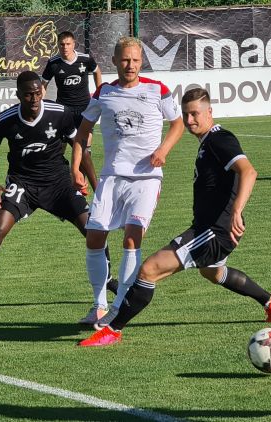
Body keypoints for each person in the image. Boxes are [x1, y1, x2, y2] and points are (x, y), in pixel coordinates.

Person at [78, 88, 271, 347]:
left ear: (209, 112)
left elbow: (249, 172)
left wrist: (236, 210)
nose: (190, 121)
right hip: (213, 230)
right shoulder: (208, 142)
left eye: (195, 114)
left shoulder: (219, 139)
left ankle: (112, 329)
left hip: (213, 231)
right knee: (213, 273)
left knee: (148, 270)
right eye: (186, 115)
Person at [0, 71, 104, 320]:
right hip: (22, 183)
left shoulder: (60, 113)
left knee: (93, 231)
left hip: (58, 183)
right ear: (18, 95)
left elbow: (80, 146)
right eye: (28, 94)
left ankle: (106, 285)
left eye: (38, 93)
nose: (34, 98)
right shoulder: (5, 120)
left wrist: (94, 185)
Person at [70, 36, 184, 326]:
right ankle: (98, 305)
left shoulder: (158, 90)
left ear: (141, 61)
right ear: (114, 61)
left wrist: (163, 149)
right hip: (111, 177)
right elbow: (81, 134)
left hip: (146, 178)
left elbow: (178, 123)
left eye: (134, 60)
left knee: (132, 237)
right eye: (124, 59)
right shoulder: (103, 93)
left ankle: (119, 305)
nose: (130, 65)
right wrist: (76, 169)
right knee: (94, 237)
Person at [42, 31, 102, 196]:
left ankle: (80, 183)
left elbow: (97, 71)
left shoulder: (85, 59)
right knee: (58, 148)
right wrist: (40, 104)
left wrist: (99, 92)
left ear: (74, 44)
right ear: (58, 45)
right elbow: (43, 85)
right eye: (62, 44)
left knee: (84, 149)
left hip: (85, 109)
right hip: (64, 110)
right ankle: (55, 180)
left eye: (68, 44)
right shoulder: (54, 63)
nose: (65, 47)